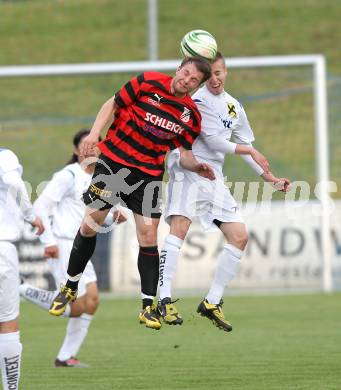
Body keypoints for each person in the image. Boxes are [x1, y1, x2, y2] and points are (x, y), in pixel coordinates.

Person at [49, 57, 215, 331]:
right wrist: (94, 134)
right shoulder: (148, 81)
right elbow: (112, 102)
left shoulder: (190, 116)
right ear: (178, 69)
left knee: (148, 236)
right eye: (185, 73)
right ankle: (70, 285)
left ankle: (147, 307)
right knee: (90, 225)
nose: (186, 80)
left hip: (148, 174)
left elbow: (184, 154)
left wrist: (197, 166)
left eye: (193, 80)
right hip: (114, 162)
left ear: (197, 86)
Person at [157, 52, 291, 331]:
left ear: (226, 72)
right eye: (211, 74)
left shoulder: (233, 106)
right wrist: (249, 149)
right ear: (204, 78)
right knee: (179, 228)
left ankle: (211, 302)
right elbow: (215, 141)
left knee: (239, 236)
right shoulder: (198, 101)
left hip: (213, 175)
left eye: (220, 73)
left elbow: (242, 144)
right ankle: (164, 298)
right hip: (188, 167)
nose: (215, 79)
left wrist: (270, 179)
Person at [19, 129, 126, 367]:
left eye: (96, 145)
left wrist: (111, 217)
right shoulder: (68, 175)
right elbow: (40, 207)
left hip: (81, 245)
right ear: (78, 151)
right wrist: (49, 243)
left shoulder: (99, 178)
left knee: (93, 301)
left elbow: (91, 215)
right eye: (87, 146)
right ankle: (23, 289)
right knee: (75, 306)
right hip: (65, 243)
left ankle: (65, 357)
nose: (92, 149)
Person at [0, 149, 44, 389]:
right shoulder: (4, 155)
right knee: (7, 322)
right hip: (1, 246)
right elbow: (13, 182)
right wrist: (30, 214)